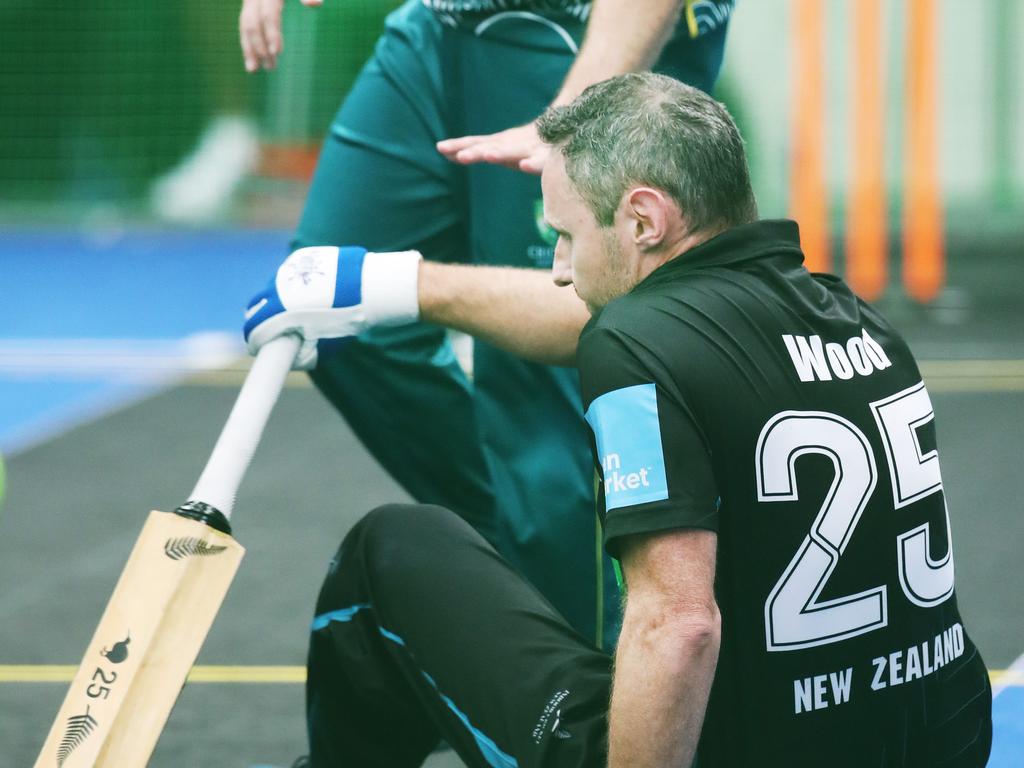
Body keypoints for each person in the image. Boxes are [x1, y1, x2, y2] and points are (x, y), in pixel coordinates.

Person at [244, 73, 993, 767]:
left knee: (391, 551)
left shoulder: (634, 340)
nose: (560, 268)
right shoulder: (852, 317)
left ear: (643, 219)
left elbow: (681, 626)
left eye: (564, 235)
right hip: (941, 741)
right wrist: (388, 283)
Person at [240, 0, 737, 648]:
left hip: (584, 33)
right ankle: (530, 597)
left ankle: (590, 705)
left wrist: (572, 121)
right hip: (440, 23)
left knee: (546, 388)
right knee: (341, 320)